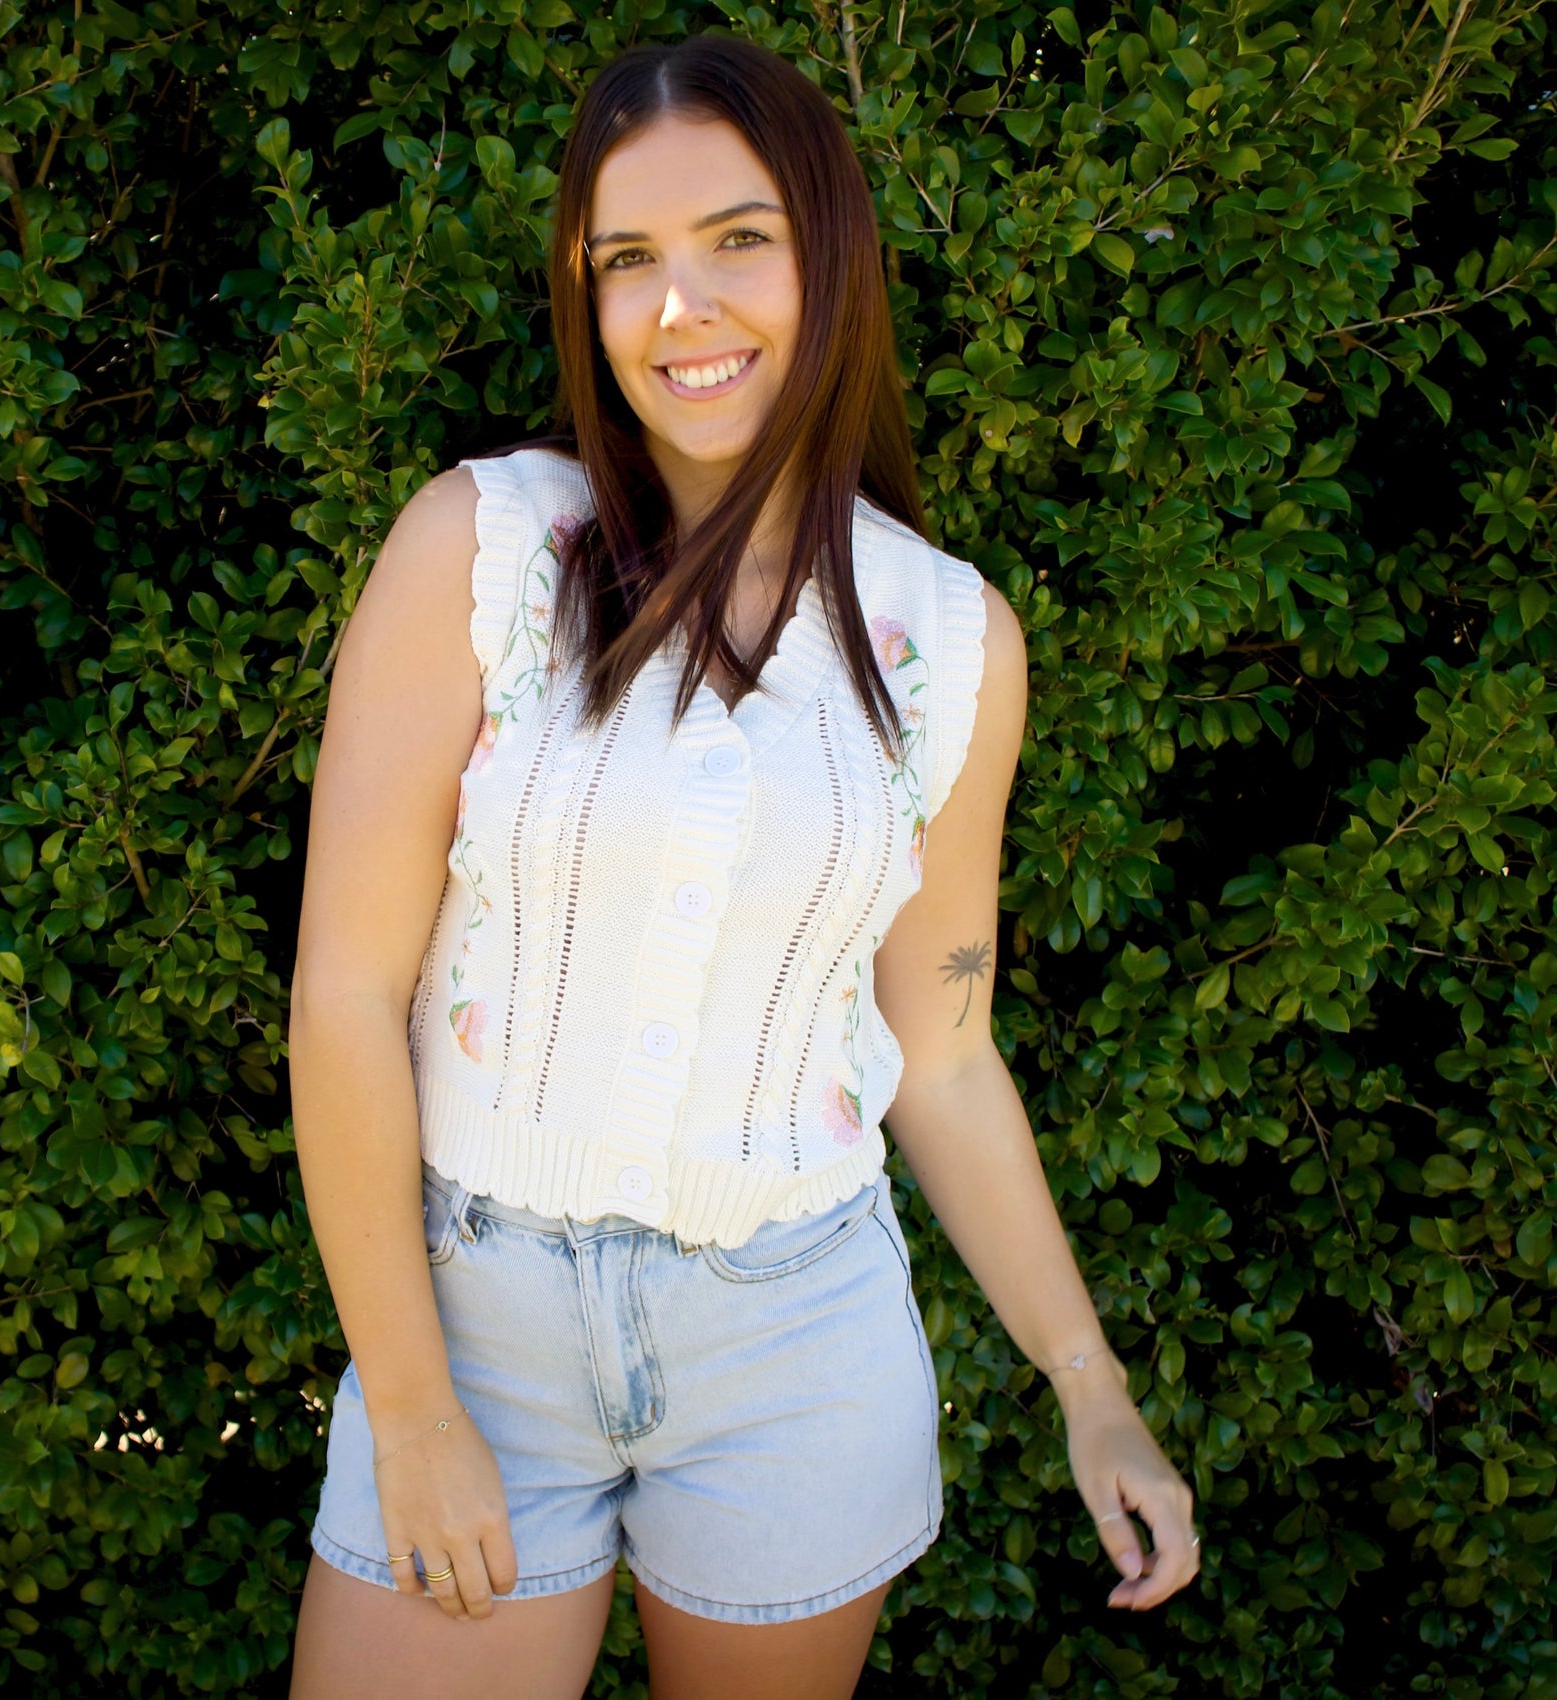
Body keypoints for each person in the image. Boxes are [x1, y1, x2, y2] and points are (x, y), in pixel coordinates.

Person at [285, 32, 1199, 1700]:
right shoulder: (481, 552)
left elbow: (942, 1046)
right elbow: (346, 993)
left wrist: (1092, 1384)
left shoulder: (948, 641)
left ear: (829, 254)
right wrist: (409, 1409)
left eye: (738, 239)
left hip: (798, 1342)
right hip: (478, 1328)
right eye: (626, 259)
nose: (680, 306)